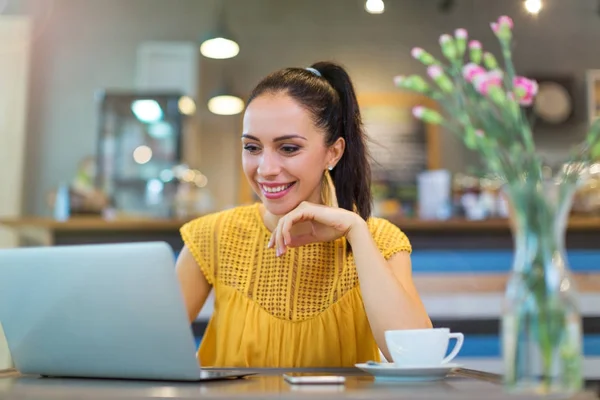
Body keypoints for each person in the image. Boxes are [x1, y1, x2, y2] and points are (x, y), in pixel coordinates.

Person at [176, 61, 432, 368]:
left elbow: (419, 360)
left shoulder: (381, 241)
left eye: (288, 148)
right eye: (252, 147)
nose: (266, 169)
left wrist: (356, 231)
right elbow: (145, 348)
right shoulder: (212, 236)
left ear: (333, 153)